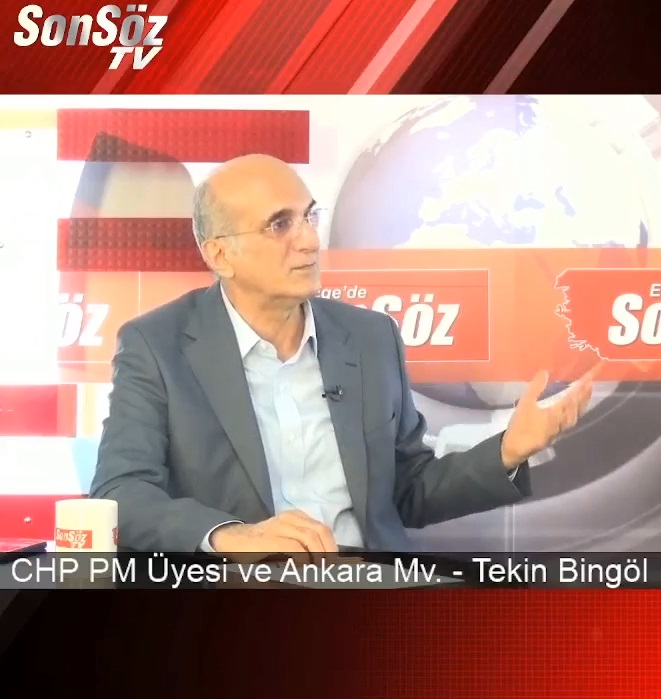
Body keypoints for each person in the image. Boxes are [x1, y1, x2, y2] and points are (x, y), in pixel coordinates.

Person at [91, 154, 597, 561]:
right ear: (220, 254)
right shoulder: (157, 347)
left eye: (309, 216)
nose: (310, 240)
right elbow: (120, 492)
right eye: (279, 225)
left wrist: (507, 450)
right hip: (240, 586)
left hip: (369, 581)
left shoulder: (371, 337)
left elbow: (407, 491)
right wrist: (230, 536)